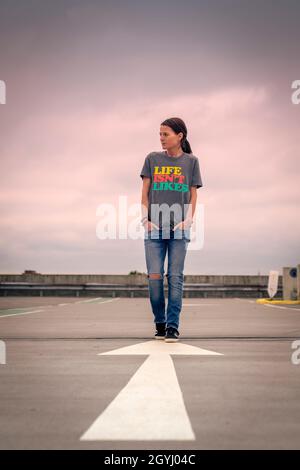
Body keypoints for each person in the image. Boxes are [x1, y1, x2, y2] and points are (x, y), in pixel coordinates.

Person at [140, 117, 203, 342]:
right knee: (154, 277)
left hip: (179, 229)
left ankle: (172, 327)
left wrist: (188, 221)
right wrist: (144, 219)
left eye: (165, 134)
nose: (161, 138)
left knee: (175, 277)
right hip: (154, 229)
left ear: (180, 136)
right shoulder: (152, 159)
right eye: (160, 134)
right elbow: (145, 190)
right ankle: (160, 321)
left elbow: (193, 193)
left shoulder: (191, 162)